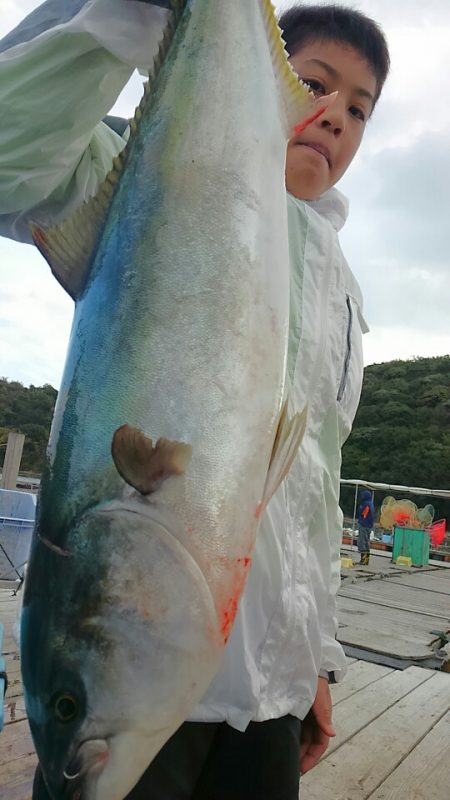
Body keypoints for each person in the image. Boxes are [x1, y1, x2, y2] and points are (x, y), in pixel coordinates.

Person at [0, 2, 389, 798]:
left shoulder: (339, 290)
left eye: (359, 109)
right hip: (162, 696)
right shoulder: (135, 174)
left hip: (269, 698)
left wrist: (310, 657)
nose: (334, 117)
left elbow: (310, 492)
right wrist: (116, 19)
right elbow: (9, 159)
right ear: (274, 85)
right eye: (313, 83)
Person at [356, 489, 375, 566]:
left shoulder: (366, 504)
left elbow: (363, 514)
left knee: (362, 542)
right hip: (369, 525)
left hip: (364, 525)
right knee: (367, 542)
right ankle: (366, 560)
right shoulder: (371, 503)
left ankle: (363, 560)